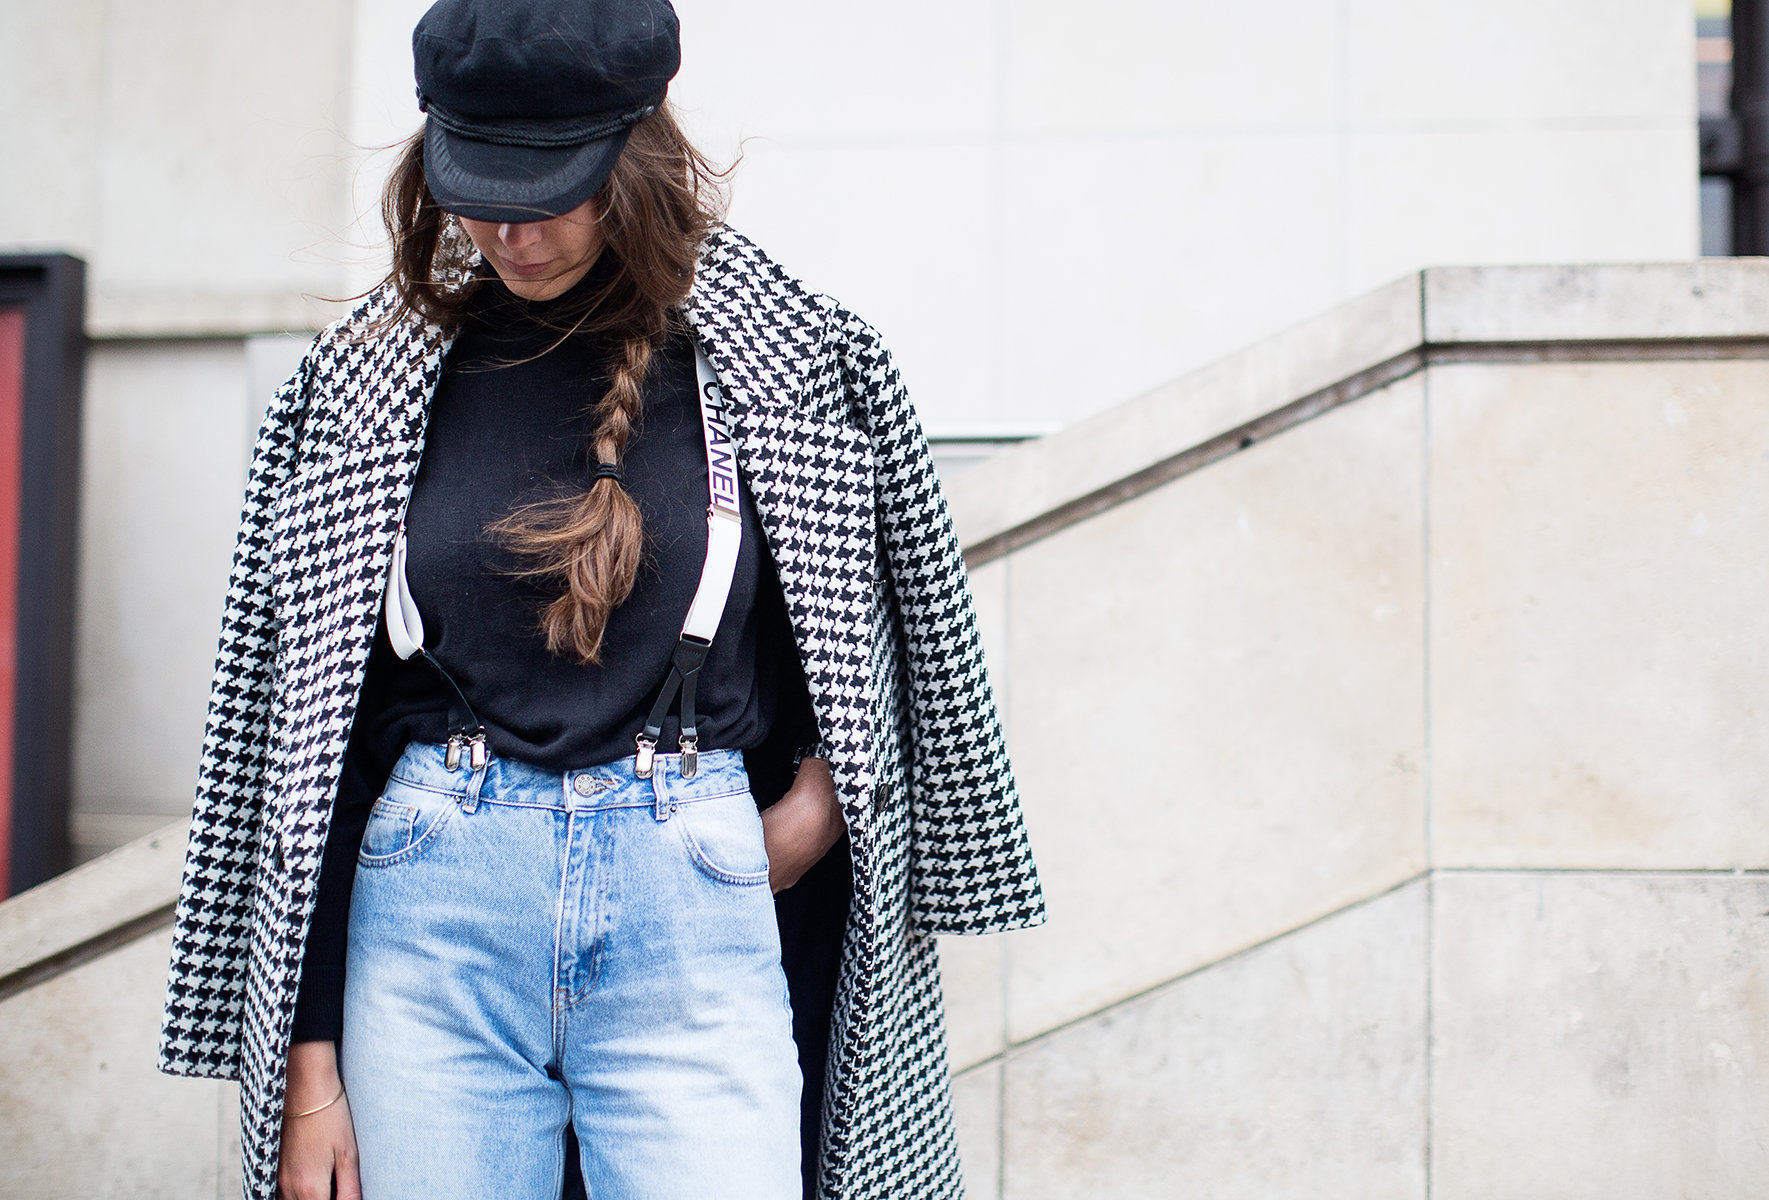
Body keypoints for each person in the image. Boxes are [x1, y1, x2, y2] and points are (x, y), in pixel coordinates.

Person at [157, 2, 1044, 1198]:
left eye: (548, 191)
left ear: (635, 158)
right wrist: (308, 1071)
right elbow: (301, 749)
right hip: (431, 915)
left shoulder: (798, 362)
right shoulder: (358, 386)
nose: (510, 232)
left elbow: (888, 646)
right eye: (476, 189)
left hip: (694, 912)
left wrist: (816, 806)